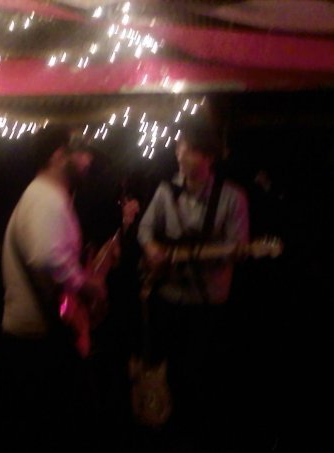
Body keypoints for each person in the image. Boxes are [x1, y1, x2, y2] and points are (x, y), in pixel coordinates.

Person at [137, 115, 249, 447]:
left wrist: (220, 254)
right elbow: (145, 229)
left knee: (203, 376)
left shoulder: (232, 198)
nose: (179, 154)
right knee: (171, 374)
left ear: (208, 156)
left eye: (187, 149)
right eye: (178, 147)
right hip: (169, 297)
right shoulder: (165, 190)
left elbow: (239, 248)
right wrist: (152, 248)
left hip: (208, 303)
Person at [0, 125, 106, 450]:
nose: (87, 160)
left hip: (38, 343)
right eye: (81, 153)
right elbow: (47, 257)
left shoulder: (47, 195)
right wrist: (88, 286)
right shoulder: (45, 199)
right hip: (39, 348)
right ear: (58, 155)